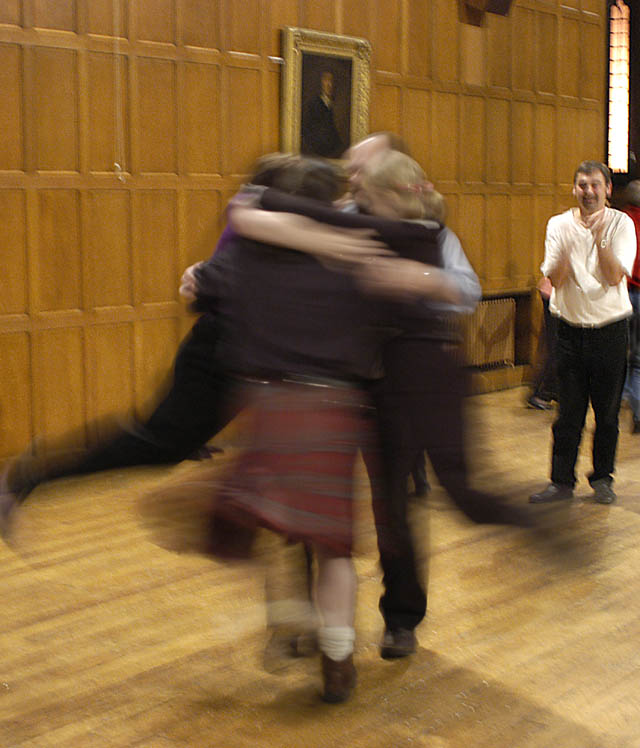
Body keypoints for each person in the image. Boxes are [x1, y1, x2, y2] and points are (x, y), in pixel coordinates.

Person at [229, 141, 529, 662]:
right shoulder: (337, 218)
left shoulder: (426, 230)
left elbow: (466, 290)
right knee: (311, 506)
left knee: (393, 508)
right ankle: (313, 624)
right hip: (336, 383)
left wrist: (420, 279)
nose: (353, 177)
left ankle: (401, 618)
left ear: (392, 177)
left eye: (363, 168)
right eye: (351, 168)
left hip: (397, 388)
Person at [174, 154, 447, 703]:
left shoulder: (251, 255)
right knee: (333, 545)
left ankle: (290, 615)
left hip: (272, 406)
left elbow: (195, 291)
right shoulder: (357, 252)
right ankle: (338, 658)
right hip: (337, 408)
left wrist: (202, 278)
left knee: (275, 525)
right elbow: (405, 308)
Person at [0, 153, 381, 536]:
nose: (339, 205)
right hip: (216, 361)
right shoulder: (262, 245)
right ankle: (30, 476)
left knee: (263, 457)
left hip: (252, 367)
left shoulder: (304, 243)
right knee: (158, 445)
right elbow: (202, 287)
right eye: (332, 198)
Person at [530, 161, 636, 506]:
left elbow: (614, 276)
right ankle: (560, 482)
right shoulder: (558, 224)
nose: (588, 191)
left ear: (608, 189)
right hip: (569, 332)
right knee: (568, 415)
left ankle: (602, 478)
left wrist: (599, 236)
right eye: (582, 185)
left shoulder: (621, 224)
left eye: (595, 185)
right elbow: (557, 279)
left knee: (606, 414)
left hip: (610, 331)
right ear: (574, 189)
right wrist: (568, 246)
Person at [621, 179, 640, 433]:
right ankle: (638, 413)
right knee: (637, 359)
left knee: (622, 353)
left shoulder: (620, 221)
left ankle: (623, 396)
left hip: (622, 294)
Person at [527, 276, 558, 410]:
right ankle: (541, 394)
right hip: (555, 295)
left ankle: (555, 392)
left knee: (559, 347)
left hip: (559, 295)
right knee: (557, 348)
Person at [301, 71, 344, 159]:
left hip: (331, 149)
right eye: (326, 80)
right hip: (317, 148)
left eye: (331, 81)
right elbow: (307, 128)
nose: (329, 85)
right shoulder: (314, 103)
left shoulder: (334, 104)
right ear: (321, 83)